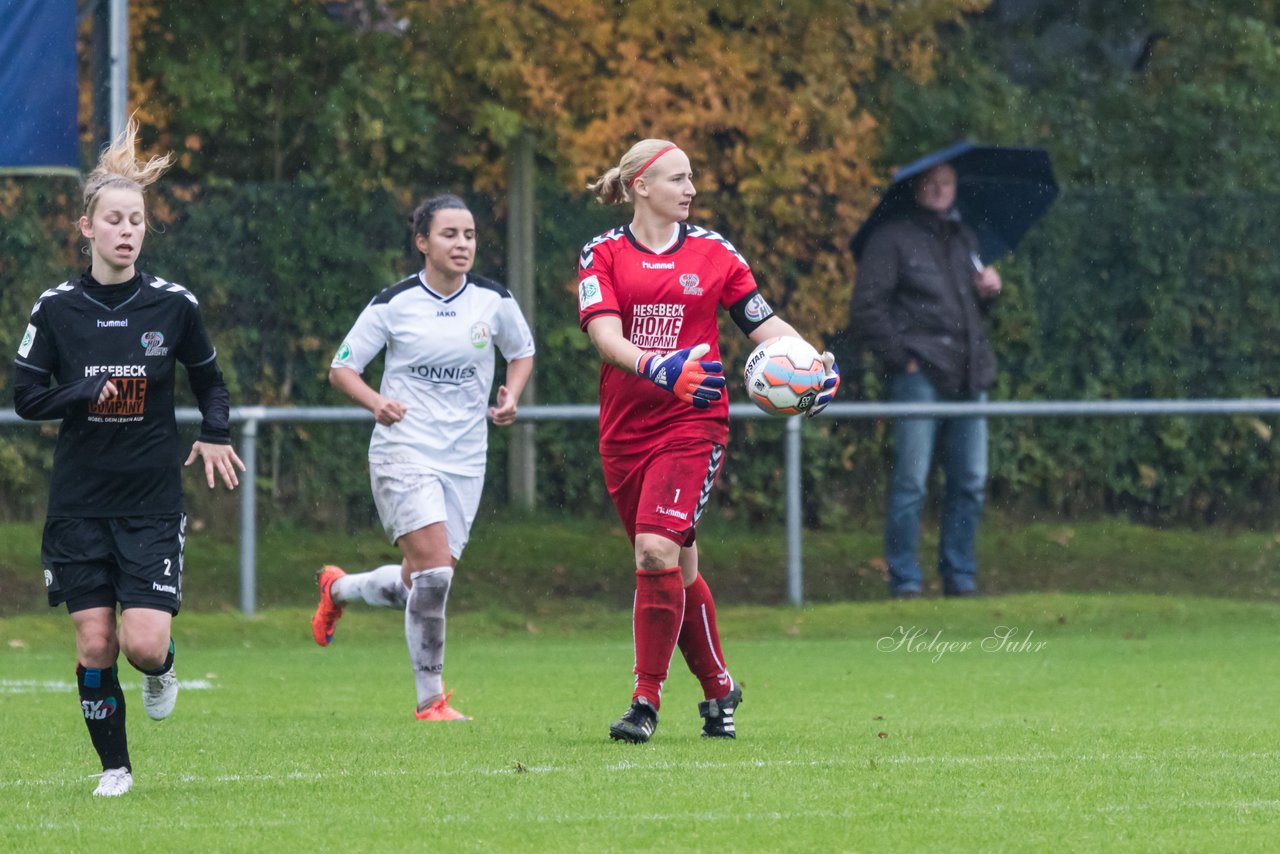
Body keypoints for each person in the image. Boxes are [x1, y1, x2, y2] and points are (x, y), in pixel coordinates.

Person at [12, 119, 245, 797]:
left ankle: (164, 665)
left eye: (136, 220)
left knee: (141, 646)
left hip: (148, 503)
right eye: (112, 219)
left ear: (145, 229)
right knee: (94, 645)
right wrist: (81, 391)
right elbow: (27, 397)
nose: (125, 230)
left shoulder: (172, 305)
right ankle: (115, 768)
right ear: (86, 227)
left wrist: (217, 431)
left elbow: (211, 380)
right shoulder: (56, 310)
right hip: (79, 504)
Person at [578, 139, 840, 743]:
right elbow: (605, 337)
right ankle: (720, 688)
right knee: (677, 567)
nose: (691, 188)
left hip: (694, 424)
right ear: (641, 186)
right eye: (678, 178)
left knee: (653, 552)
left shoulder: (716, 253)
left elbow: (762, 324)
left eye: (692, 177)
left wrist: (809, 363)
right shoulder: (604, 253)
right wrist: (660, 367)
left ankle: (645, 701)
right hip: (624, 432)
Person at [315, 194, 534, 722]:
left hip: (466, 458)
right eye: (449, 235)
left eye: (470, 235)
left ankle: (339, 587)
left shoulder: (493, 301)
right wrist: (376, 402)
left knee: (422, 581)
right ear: (422, 243)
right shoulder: (393, 304)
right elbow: (342, 368)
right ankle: (430, 701)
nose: (462, 244)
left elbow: (521, 351)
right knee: (435, 574)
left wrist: (511, 393)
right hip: (404, 450)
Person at [849, 160, 1002, 599]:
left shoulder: (964, 238)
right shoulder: (890, 238)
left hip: (971, 377)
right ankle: (906, 581)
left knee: (970, 481)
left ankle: (960, 577)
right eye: (931, 182)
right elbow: (867, 309)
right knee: (911, 483)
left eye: (947, 182)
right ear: (915, 188)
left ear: (955, 187)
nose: (939, 189)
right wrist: (904, 361)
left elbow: (970, 313)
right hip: (919, 377)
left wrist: (988, 293)